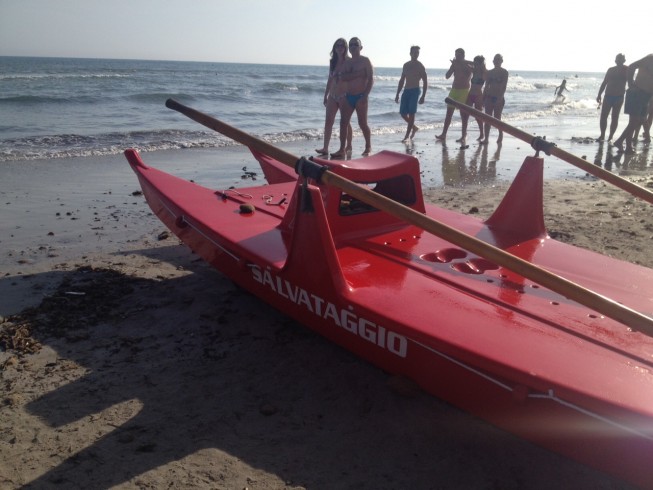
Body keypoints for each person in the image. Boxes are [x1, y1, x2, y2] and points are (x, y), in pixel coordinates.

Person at [332, 37, 374, 157]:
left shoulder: (365, 61)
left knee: (362, 124)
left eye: (356, 44)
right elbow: (342, 77)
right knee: (343, 122)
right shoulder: (348, 62)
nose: (353, 46)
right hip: (349, 96)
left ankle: (368, 147)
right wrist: (359, 73)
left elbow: (371, 79)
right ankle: (342, 149)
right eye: (351, 45)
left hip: (361, 96)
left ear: (360, 47)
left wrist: (365, 95)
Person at [315, 38, 353, 155]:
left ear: (345, 47)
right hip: (332, 95)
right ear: (334, 48)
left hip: (344, 96)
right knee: (328, 121)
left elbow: (353, 79)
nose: (339, 48)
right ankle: (325, 148)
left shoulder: (349, 61)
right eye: (337, 46)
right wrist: (325, 95)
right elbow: (330, 79)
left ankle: (349, 144)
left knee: (345, 122)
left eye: (342, 45)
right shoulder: (333, 61)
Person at [613, 53, 653, 154]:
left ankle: (620, 142)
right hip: (637, 92)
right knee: (634, 121)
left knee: (639, 121)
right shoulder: (649, 58)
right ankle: (627, 146)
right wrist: (630, 83)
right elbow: (631, 66)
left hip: (647, 96)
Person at [435, 48, 473, 144]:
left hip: (464, 90)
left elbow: (473, 70)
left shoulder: (469, 64)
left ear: (463, 55)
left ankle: (464, 135)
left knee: (463, 114)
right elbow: (447, 76)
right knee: (449, 113)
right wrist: (453, 66)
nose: (457, 57)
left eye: (459, 55)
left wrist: (461, 64)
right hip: (454, 90)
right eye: (456, 55)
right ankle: (444, 134)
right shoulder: (454, 64)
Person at [395, 45, 428, 142]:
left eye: (418, 53)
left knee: (412, 113)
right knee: (402, 113)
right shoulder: (406, 65)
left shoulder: (420, 66)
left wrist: (423, 96)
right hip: (406, 91)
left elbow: (425, 81)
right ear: (410, 53)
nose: (416, 54)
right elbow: (402, 80)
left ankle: (407, 136)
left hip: (415, 90)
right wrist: (397, 94)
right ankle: (414, 127)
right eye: (414, 52)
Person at [596, 53, 628, 142]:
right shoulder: (611, 70)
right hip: (608, 96)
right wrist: (599, 94)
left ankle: (610, 136)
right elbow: (604, 82)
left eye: (621, 59)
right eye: (617, 59)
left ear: (624, 61)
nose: (618, 61)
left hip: (619, 97)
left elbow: (630, 82)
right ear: (615, 60)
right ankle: (602, 135)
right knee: (603, 116)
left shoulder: (627, 70)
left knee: (615, 117)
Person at [481, 54, 508, 144]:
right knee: (487, 118)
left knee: (497, 118)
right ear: (493, 61)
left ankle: (500, 134)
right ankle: (486, 138)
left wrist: (500, 98)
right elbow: (486, 85)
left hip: (499, 97)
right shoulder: (490, 72)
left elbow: (504, 86)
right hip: (489, 97)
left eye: (498, 60)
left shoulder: (504, 72)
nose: (497, 61)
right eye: (495, 60)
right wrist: (483, 98)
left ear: (501, 61)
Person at [464, 55, 487, 141]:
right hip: (470, 94)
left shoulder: (484, 72)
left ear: (481, 63)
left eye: (477, 63)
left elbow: (487, 83)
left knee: (478, 116)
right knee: (466, 113)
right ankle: (464, 134)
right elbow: (465, 63)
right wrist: (473, 63)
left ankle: (482, 134)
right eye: (475, 63)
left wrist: (482, 65)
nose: (475, 64)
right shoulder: (474, 70)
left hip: (478, 95)